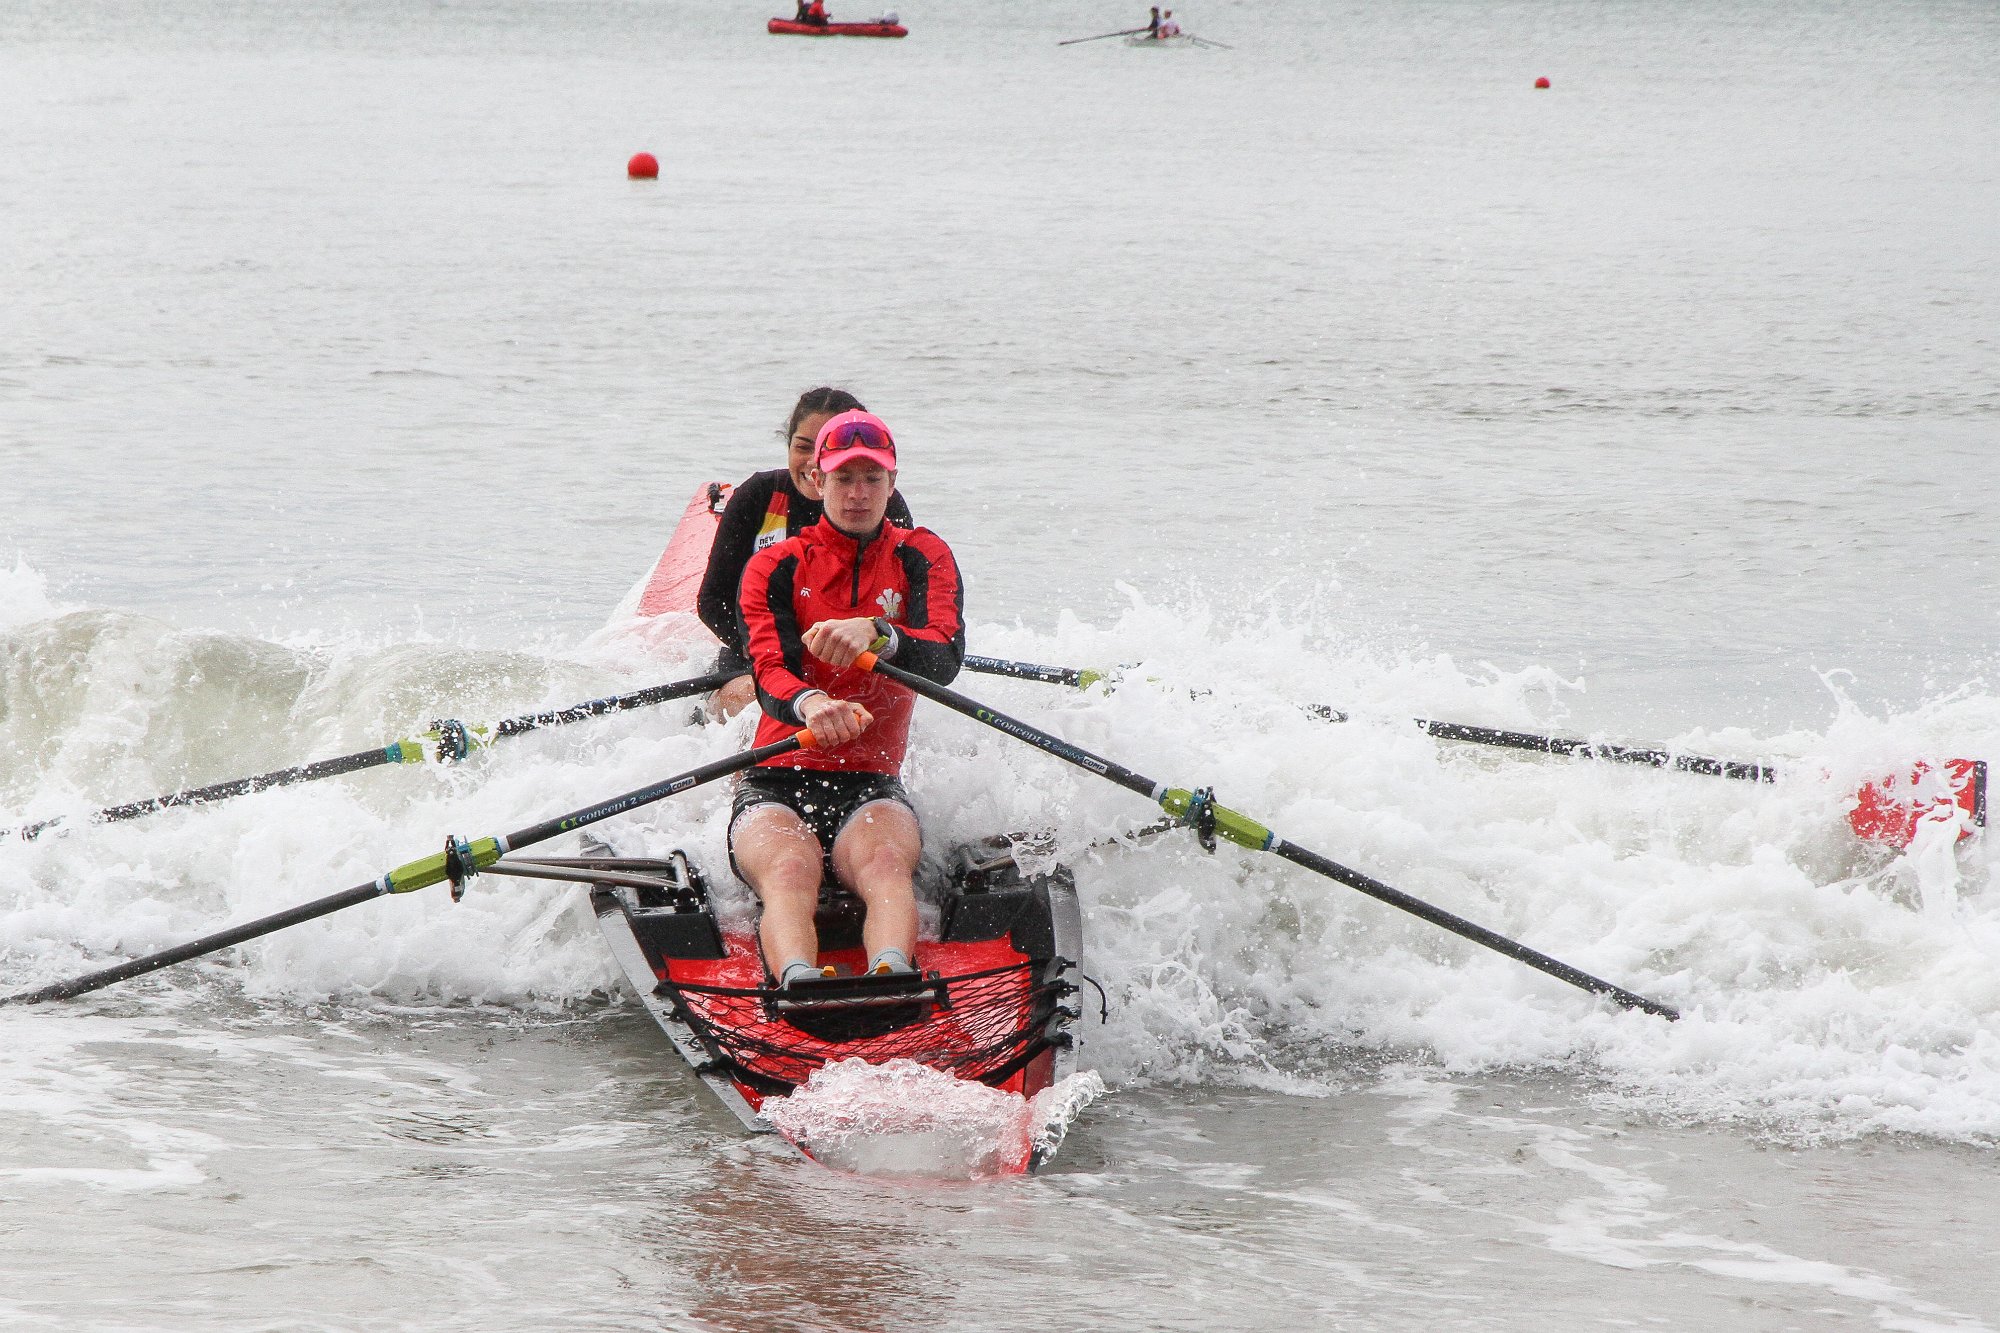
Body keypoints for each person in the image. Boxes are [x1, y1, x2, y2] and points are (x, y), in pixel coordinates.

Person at [731, 410, 964, 989]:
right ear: (817, 480)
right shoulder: (776, 565)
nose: (858, 493)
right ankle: (797, 983)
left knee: (886, 866)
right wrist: (812, 704)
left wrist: (879, 633)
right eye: (843, 479)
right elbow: (769, 672)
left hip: (872, 781)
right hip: (775, 777)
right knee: (789, 869)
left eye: (872, 478)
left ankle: (893, 977)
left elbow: (944, 657)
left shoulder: (923, 555)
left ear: (892, 482)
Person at [696, 387, 912, 720]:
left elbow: (904, 605)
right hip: (755, 660)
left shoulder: (881, 505)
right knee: (751, 708)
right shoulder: (758, 496)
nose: (813, 460)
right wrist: (787, 650)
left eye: (828, 448)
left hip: (857, 662)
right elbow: (712, 602)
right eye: (802, 447)